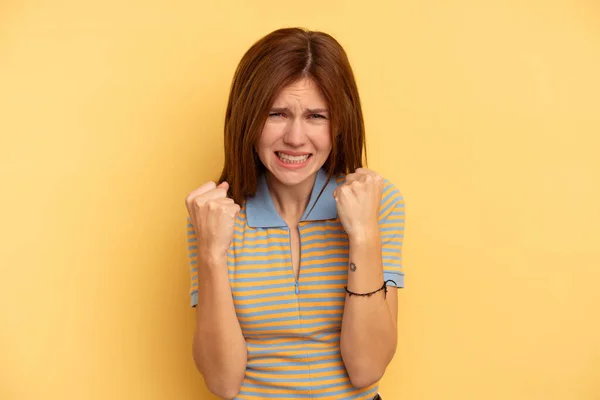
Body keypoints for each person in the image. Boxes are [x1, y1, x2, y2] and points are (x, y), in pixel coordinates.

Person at [185, 27, 406, 400]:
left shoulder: (377, 203)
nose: (295, 137)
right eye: (277, 113)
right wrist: (211, 253)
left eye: (317, 116)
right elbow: (222, 383)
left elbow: (367, 367)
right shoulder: (213, 214)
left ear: (340, 123)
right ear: (247, 120)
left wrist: (364, 235)